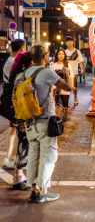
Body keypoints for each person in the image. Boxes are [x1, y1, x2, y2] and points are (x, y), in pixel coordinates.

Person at [16, 45, 72, 203]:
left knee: (34, 156)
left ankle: (33, 191)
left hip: (29, 123)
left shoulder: (23, 74)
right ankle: (42, 192)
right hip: (44, 121)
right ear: (45, 56)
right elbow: (68, 87)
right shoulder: (46, 72)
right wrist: (66, 73)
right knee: (48, 157)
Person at [8, 52, 33, 190]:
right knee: (23, 146)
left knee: (22, 144)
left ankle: (19, 176)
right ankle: (18, 178)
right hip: (24, 116)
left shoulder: (18, 76)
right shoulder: (26, 76)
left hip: (19, 115)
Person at [3, 39, 26, 169]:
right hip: (15, 100)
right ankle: (12, 158)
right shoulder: (14, 62)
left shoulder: (9, 60)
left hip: (11, 99)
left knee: (12, 129)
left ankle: (8, 157)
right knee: (17, 130)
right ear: (22, 48)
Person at [51, 49, 74, 120]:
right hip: (56, 87)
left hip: (65, 87)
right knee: (57, 104)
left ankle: (65, 111)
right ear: (57, 55)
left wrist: (72, 85)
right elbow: (51, 76)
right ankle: (58, 119)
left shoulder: (67, 64)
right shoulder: (53, 65)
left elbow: (72, 76)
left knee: (65, 104)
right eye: (60, 54)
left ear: (64, 55)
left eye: (63, 54)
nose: (61, 56)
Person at [64, 36, 84, 106]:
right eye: (67, 41)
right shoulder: (64, 52)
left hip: (75, 72)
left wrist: (81, 69)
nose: (69, 42)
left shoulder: (77, 52)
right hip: (66, 72)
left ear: (73, 42)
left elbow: (80, 61)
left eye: (70, 41)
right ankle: (67, 100)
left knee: (74, 87)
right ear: (66, 43)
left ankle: (75, 97)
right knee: (67, 87)